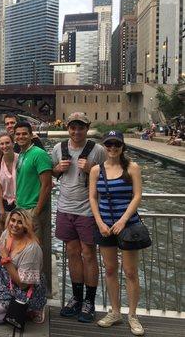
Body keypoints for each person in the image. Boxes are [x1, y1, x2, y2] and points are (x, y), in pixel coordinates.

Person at [89, 131, 145, 336]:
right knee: (110, 269)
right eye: (109, 144)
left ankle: (132, 315)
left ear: (122, 146)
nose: (113, 148)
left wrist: (122, 220)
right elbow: (93, 198)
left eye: (117, 144)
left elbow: (137, 196)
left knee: (130, 272)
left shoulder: (132, 168)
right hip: (105, 226)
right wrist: (99, 222)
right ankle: (115, 312)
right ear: (104, 146)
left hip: (128, 225)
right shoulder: (97, 170)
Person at [52, 113, 106, 322]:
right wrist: (58, 168)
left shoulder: (97, 150)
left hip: (87, 210)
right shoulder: (59, 148)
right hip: (65, 208)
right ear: (68, 128)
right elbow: (53, 172)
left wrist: (92, 169)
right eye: (73, 128)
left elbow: (108, 175)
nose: (76, 132)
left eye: (80, 128)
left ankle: (89, 301)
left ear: (87, 128)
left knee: (89, 254)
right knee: (72, 253)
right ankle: (76, 297)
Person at [0, 209, 47, 325]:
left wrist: (5, 259)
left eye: (20, 222)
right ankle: (2, 301)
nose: (14, 225)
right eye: (13, 220)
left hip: (24, 288)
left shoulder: (32, 248)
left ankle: (29, 309)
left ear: (26, 226)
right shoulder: (8, 233)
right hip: (8, 278)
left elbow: (23, 284)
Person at [13, 121, 52, 243]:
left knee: (35, 247)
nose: (21, 137)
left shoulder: (39, 154)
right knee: (22, 247)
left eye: (24, 134)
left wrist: (37, 211)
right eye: (18, 134)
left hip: (33, 208)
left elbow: (47, 185)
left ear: (31, 135)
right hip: (21, 207)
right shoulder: (21, 154)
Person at [0, 133, 18, 221]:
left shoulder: (21, 159)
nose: (4, 146)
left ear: (13, 144)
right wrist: (1, 210)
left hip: (21, 202)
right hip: (6, 203)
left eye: (7, 143)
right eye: (2, 144)